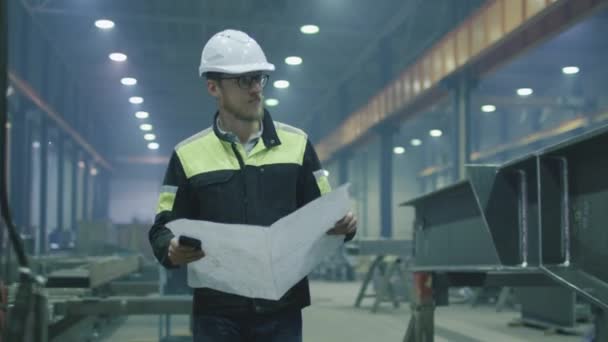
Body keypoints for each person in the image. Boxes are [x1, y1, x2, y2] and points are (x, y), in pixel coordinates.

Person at [148, 29, 357, 342]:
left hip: (282, 311)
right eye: (245, 80)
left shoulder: (297, 146)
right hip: (216, 314)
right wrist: (172, 250)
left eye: (260, 78)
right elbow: (162, 228)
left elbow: (324, 214)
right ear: (213, 87)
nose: (257, 88)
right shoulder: (187, 155)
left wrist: (343, 224)